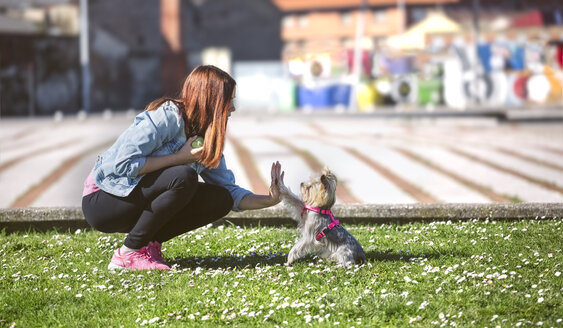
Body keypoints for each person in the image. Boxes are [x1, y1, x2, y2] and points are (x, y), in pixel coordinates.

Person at [82, 65, 283, 271]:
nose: (232, 108)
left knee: (220, 198)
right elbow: (123, 164)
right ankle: (129, 253)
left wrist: (270, 199)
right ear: (210, 99)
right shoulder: (168, 117)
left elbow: (230, 193)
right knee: (183, 176)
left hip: (134, 200)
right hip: (104, 200)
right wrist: (178, 158)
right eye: (228, 100)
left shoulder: (207, 136)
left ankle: (148, 245)